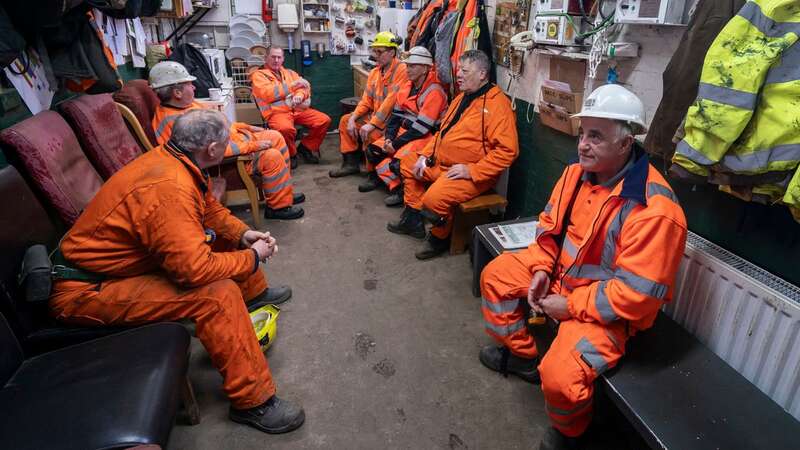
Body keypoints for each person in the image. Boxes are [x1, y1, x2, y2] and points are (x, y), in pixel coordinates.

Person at [49, 109, 305, 435]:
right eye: (226, 144)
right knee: (217, 296)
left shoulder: (176, 159)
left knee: (222, 239)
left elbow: (209, 209)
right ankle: (254, 402)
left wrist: (243, 235)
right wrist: (252, 257)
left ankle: (255, 297)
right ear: (212, 150)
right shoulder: (169, 188)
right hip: (86, 290)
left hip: (117, 269)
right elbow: (194, 272)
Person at [478, 85, 687, 450]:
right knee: (495, 275)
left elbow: (637, 298)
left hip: (606, 310)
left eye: (596, 136)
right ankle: (524, 356)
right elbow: (548, 228)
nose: (582, 145)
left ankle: (571, 433)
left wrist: (570, 306)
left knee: (559, 378)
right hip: (558, 277)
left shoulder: (655, 211)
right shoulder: (575, 174)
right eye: (582, 133)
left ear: (626, 143)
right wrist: (542, 268)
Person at [387, 50, 518, 259]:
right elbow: (442, 134)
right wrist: (424, 155)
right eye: (458, 69)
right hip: (442, 164)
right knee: (407, 162)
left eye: (464, 71)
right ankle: (413, 220)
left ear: (483, 74)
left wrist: (472, 170)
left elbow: (507, 151)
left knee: (434, 199)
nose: (458, 75)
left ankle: (438, 238)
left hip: (470, 174)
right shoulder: (461, 98)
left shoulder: (497, 104)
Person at [149, 61, 304, 220]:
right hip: (229, 160)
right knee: (272, 156)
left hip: (235, 140)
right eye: (189, 84)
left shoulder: (186, 106)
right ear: (177, 93)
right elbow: (211, 152)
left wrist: (247, 127)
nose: (194, 87)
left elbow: (221, 124)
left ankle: (284, 193)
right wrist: (253, 146)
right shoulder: (177, 122)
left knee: (275, 136)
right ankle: (278, 208)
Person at [366, 46, 448, 206]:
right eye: (407, 65)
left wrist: (395, 144)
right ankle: (395, 184)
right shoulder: (407, 86)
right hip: (407, 131)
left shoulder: (434, 92)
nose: (407, 69)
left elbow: (421, 129)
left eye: (412, 66)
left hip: (427, 137)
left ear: (425, 69)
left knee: (399, 164)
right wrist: (389, 139)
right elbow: (395, 117)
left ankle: (402, 191)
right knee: (373, 151)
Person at [329, 31, 408, 178]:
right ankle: (350, 164)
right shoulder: (375, 72)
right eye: (374, 51)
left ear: (392, 52)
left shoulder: (401, 70)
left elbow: (391, 102)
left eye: (380, 51)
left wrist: (372, 124)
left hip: (391, 122)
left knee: (370, 133)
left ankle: (372, 173)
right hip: (376, 118)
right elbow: (366, 101)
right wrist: (353, 118)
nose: (375, 55)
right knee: (345, 120)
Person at [251, 46, 332, 168]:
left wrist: (299, 95)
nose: (276, 60)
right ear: (266, 58)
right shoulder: (258, 75)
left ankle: (306, 148)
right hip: (277, 113)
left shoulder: (290, 73)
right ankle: (292, 154)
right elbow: (268, 94)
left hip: (297, 110)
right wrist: (292, 85)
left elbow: (305, 86)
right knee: (285, 129)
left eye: (279, 57)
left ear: (283, 59)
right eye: (273, 57)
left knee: (323, 120)